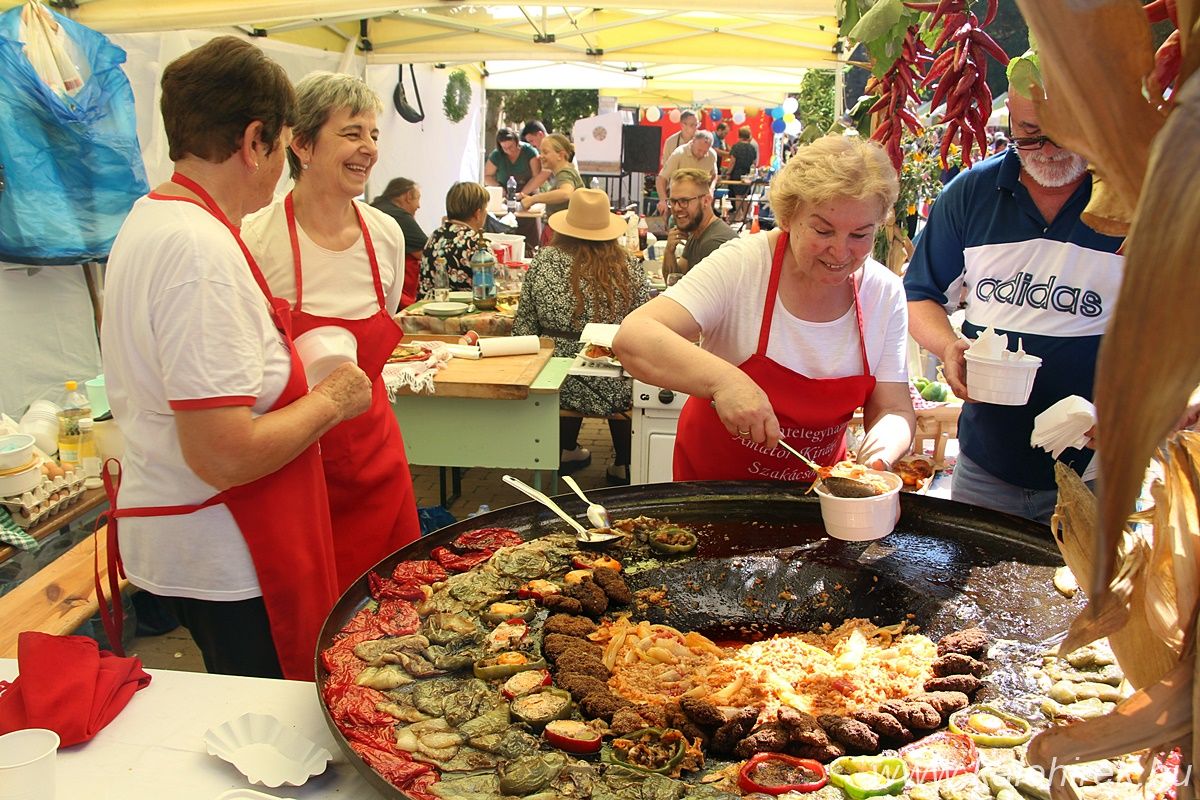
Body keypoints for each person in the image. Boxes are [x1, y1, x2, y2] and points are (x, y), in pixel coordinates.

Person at [99, 37, 372, 680]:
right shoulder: (199, 253)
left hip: (200, 534)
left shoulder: (155, 217)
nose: (279, 166)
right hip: (227, 548)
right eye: (280, 146)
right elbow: (222, 452)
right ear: (256, 141)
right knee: (271, 726)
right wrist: (330, 401)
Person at [613, 135, 915, 482]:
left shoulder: (885, 293)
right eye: (823, 230)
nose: (841, 252)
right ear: (789, 216)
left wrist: (880, 454)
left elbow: (893, 407)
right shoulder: (743, 264)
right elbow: (634, 337)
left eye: (860, 235)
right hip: (716, 490)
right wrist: (725, 381)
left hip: (820, 494)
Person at [905, 86, 1124, 524]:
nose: (1049, 151)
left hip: (1098, 469)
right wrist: (948, 345)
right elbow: (919, 296)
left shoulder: (1128, 199)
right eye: (1030, 134)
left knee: (1084, 590)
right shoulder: (971, 194)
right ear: (1010, 123)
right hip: (986, 465)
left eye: (1066, 133)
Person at [242, 71, 421, 593]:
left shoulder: (384, 234)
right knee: (313, 605)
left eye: (373, 134)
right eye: (351, 133)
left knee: (388, 599)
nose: (367, 148)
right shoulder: (257, 236)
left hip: (374, 452)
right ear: (301, 144)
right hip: (296, 459)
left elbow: (386, 318)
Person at [513, 189, 651, 483]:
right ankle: (624, 464)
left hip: (556, 378)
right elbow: (643, 327)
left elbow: (524, 325)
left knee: (563, 369)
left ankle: (564, 450)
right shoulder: (629, 266)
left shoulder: (544, 261)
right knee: (623, 376)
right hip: (614, 377)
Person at [418, 181, 490, 297]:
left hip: (426, 307)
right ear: (477, 213)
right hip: (464, 311)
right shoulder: (475, 242)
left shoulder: (434, 236)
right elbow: (491, 286)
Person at [662, 167, 735, 280]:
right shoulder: (696, 232)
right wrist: (669, 251)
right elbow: (675, 281)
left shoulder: (713, 243)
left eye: (684, 201)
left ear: (706, 201)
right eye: (673, 201)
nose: (676, 208)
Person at [370, 177, 426, 307]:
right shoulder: (399, 216)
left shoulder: (373, 208)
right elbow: (425, 252)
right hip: (394, 290)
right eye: (418, 198)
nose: (419, 205)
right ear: (407, 197)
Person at [519, 133, 584, 219]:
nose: (540, 156)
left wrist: (534, 199)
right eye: (540, 152)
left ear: (560, 155)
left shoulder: (565, 173)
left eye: (545, 152)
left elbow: (565, 193)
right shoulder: (566, 172)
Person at [655, 130, 718, 218]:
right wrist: (663, 200)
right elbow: (661, 179)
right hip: (680, 201)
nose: (701, 154)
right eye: (699, 150)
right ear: (693, 141)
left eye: (705, 152)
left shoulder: (712, 155)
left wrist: (711, 190)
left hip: (700, 201)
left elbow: (714, 175)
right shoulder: (679, 154)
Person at [484, 127, 543, 195]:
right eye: (505, 148)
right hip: (505, 195)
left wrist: (522, 193)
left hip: (529, 194)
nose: (509, 150)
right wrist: (499, 188)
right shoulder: (496, 155)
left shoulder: (530, 152)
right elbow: (487, 176)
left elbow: (536, 177)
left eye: (511, 146)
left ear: (517, 141)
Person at [727, 125, 761, 217]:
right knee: (745, 196)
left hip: (737, 173)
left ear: (739, 135)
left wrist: (728, 172)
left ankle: (738, 215)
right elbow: (754, 162)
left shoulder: (736, 147)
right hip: (748, 173)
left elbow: (732, 161)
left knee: (738, 196)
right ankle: (746, 215)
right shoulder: (752, 148)